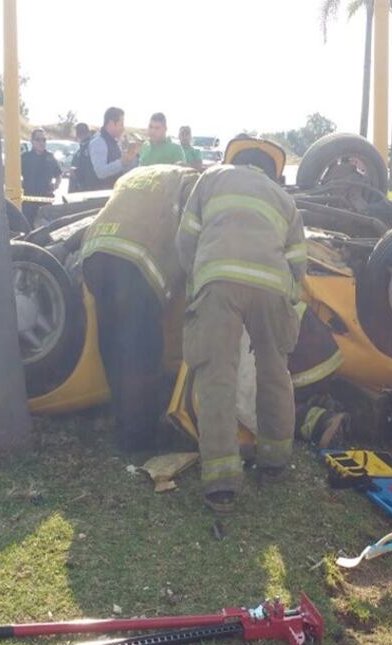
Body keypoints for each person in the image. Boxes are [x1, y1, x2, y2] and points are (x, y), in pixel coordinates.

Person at [176, 157, 306, 513]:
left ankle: (222, 484)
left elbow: (186, 238)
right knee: (274, 370)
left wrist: (198, 278)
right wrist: (285, 296)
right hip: (272, 286)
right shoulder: (283, 197)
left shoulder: (211, 179)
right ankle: (275, 463)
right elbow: (298, 261)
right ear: (268, 171)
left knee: (217, 376)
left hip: (217, 280)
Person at [79, 164, 199, 451]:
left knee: (112, 345)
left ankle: (121, 423)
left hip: (94, 255)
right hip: (135, 265)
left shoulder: (139, 175)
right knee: (142, 353)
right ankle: (139, 439)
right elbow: (195, 233)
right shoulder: (193, 182)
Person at [88, 107, 138, 190]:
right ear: (111, 123)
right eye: (121, 124)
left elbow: (122, 169)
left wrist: (131, 160)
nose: (123, 128)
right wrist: (122, 162)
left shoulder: (114, 142)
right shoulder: (99, 142)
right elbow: (100, 172)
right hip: (98, 198)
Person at [20, 128, 62, 224]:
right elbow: (15, 173)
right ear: (32, 141)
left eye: (44, 140)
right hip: (29, 200)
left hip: (46, 200)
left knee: (46, 229)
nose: (41, 142)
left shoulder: (50, 157)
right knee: (28, 227)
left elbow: (58, 175)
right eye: (38, 139)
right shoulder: (25, 157)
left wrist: (56, 185)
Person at [69, 122, 97, 192]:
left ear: (77, 134)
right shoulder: (84, 147)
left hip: (86, 188)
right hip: (89, 187)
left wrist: (74, 172)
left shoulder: (87, 147)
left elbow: (86, 169)